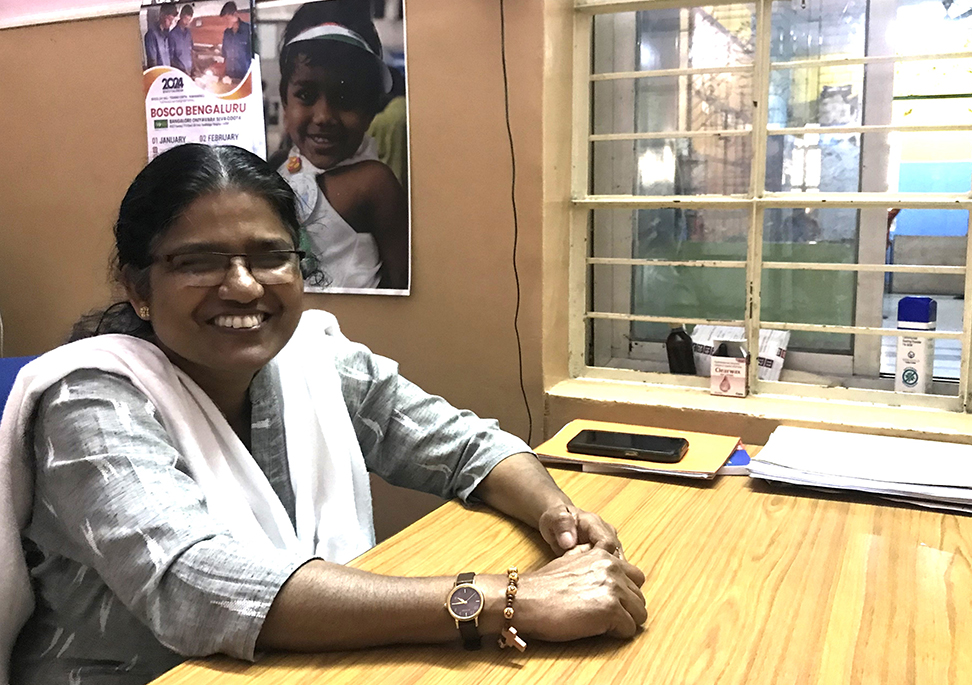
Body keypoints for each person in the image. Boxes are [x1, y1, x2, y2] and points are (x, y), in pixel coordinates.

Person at [2, 144, 646, 685]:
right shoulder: (89, 400)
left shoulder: (314, 356)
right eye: (197, 261)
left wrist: (556, 515)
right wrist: (508, 600)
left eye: (269, 256)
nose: (245, 286)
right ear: (139, 288)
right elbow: (194, 585)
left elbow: (462, 446)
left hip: (309, 666)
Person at [273, 2, 408, 290]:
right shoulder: (280, 168)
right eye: (306, 95)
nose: (323, 117)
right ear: (285, 101)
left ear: (371, 109)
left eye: (345, 99)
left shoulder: (374, 183)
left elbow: (402, 283)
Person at [220, 2, 252, 82]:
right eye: (224, 20)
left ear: (235, 14)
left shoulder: (248, 30)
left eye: (227, 19)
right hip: (229, 77)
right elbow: (225, 55)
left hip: (244, 77)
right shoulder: (226, 33)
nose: (226, 22)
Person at [143, 3, 177, 69]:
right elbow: (152, 61)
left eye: (172, 20)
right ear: (162, 15)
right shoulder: (152, 34)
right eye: (169, 20)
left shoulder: (166, 34)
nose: (171, 23)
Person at [169, 4, 195, 76]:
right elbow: (170, 59)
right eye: (185, 19)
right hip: (179, 73)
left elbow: (191, 50)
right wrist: (179, 71)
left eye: (189, 20)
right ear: (180, 16)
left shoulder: (189, 33)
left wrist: (194, 69)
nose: (187, 22)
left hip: (189, 71)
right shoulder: (172, 35)